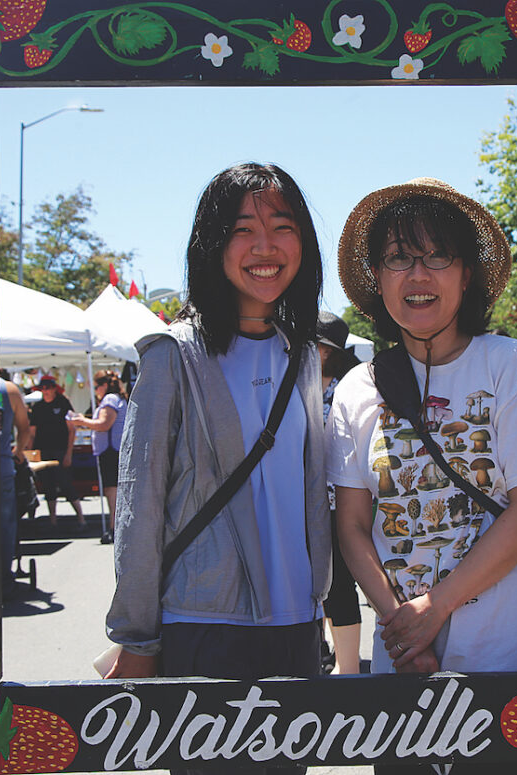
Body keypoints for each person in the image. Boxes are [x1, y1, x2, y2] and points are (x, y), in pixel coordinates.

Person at [327, 177, 517, 764]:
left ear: (466, 276)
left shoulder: (505, 363)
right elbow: (352, 526)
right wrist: (403, 629)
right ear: (378, 279)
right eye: (398, 258)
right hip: (403, 661)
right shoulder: (357, 388)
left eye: (438, 256)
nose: (419, 275)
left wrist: (434, 609)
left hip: (509, 652)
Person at [104, 163, 332, 748]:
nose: (264, 246)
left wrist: (320, 609)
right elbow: (139, 505)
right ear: (212, 243)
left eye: (282, 226)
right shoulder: (171, 356)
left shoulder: (302, 355)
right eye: (240, 230)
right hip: (204, 627)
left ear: (303, 240)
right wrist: (135, 639)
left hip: (297, 632)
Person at [315, 311, 362, 674]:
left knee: (340, 584)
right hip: (306, 503)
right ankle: (326, 657)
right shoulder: (301, 384)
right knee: (311, 585)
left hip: (339, 501)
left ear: (326, 350)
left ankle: (347, 666)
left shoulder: (348, 389)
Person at [70, 370, 127, 543]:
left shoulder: (110, 400)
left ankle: (114, 528)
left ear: (103, 386)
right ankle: (116, 527)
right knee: (114, 491)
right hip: (112, 450)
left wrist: (81, 421)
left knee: (112, 491)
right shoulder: (117, 398)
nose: (95, 391)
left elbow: (103, 425)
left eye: (96, 387)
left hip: (110, 451)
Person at [28, 375, 85, 528]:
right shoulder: (37, 407)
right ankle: (53, 521)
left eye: (47, 388)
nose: (45, 391)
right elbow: (32, 432)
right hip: (43, 451)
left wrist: (68, 454)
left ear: (54, 389)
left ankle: (81, 518)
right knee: (48, 486)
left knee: (66, 484)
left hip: (61, 450)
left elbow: (71, 430)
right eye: (42, 388)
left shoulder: (63, 403)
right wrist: (29, 450)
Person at [0, 376, 30, 594]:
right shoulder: (9, 389)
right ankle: (4, 579)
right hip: (1, 465)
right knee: (5, 526)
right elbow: (24, 428)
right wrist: (18, 452)